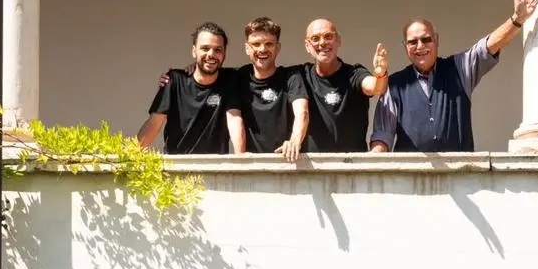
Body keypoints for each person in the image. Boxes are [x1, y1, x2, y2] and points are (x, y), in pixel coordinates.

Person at [369, 0, 538, 153]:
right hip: (410, 178)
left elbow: (489, 46)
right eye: (413, 42)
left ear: (436, 41)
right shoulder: (394, 85)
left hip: (459, 175)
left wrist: (517, 20)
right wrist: (374, 157)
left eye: (426, 39)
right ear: (405, 47)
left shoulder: (459, 69)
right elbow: (383, 134)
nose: (420, 46)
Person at [137, 22, 244, 154]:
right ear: (194, 51)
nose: (211, 54)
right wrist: (131, 156)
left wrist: (240, 159)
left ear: (224, 54)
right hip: (176, 168)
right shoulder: (174, 80)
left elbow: (234, 119)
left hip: (215, 167)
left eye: (218, 50)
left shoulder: (230, 79)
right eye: (205, 48)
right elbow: (154, 123)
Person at [300, 18, 388, 152]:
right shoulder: (300, 76)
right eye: (315, 38)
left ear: (338, 40)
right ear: (307, 45)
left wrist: (380, 74)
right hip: (312, 168)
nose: (322, 42)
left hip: (351, 167)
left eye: (328, 36)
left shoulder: (354, 74)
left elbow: (375, 87)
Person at [233, 17, 309, 162]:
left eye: (269, 44)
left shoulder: (291, 77)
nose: (262, 49)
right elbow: (234, 117)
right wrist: (240, 158)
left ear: (277, 48)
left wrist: (294, 142)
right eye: (256, 44)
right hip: (251, 163)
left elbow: (302, 112)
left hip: (287, 162)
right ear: (247, 48)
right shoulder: (238, 77)